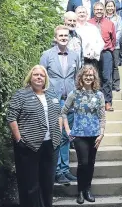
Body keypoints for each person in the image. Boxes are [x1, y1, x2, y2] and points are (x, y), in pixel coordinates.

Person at [7, 65, 62, 207]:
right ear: (30, 77)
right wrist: (18, 139)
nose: (39, 77)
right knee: (30, 185)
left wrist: (59, 132)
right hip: (28, 146)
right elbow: (11, 117)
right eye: (35, 75)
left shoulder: (51, 94)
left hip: (50, 145)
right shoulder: (21, 94)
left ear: (45, 79)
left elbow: (60, 114)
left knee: (47, 183)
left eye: (42, 75)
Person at [40, 25, 81, 185]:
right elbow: (41, 77)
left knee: (66, 136)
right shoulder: (47, 55)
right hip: (53, 101)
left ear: (69, 37)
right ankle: (56, 171)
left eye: (66, 35)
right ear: (55, 38)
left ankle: (64, 169)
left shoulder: (75, 56)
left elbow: (78, 77)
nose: (64, 38)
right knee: (56, 135)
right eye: (61, 36)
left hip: (70, 101)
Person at [62, 64, 106, 204]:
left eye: (91, 75)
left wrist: (102, 133)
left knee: (91, 163)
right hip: (79, 134)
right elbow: (63, 112)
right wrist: (68, 130)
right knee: (83, 163)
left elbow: (102, 116)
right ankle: (80, 191)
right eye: (86, 75)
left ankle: (88, 189)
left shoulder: (99, 95)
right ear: (81, 77)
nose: (88, 77)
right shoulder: (74, 94)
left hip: (94, 134)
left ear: (94, 78)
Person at [88, 2, 116, 112]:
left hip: (106, 52)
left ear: (104, 10)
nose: (99, 11)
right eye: (97, 9)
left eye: (101, 9)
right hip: (93, 54)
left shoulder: (110, 23)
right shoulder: (89, 23)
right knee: (94, 77)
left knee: (107, 78)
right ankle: (95, 102)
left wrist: (109, 49)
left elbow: (113, 40)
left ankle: (107, 102)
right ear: (93, 11)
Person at [105, 0, 122, 92]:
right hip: (105, 46)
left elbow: (119, 31)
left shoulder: (118, 18)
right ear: (105, 7)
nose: (110, 8)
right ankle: (108, 83)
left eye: (112, 6)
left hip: (115, 46)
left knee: (115, 65)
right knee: (107, 65)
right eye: (108, 6)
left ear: (114, 7)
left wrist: (114, 41)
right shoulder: (103, 18)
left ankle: (116, 84)